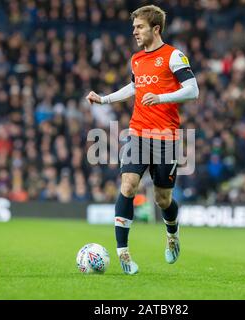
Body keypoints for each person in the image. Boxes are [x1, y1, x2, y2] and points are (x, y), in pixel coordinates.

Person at [86, 5, 199, 275]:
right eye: (134, 26)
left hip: (166, 137)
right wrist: (104, 98)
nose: (134, 31)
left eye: (139, 27)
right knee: (128, 184)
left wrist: (161, 98)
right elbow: (135, 87)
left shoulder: (174, 56)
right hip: (137, 133)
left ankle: (172, 233)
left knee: (162, 199)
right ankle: (123, 252)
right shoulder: (137, 59)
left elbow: (192, 90)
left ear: (155, 28)